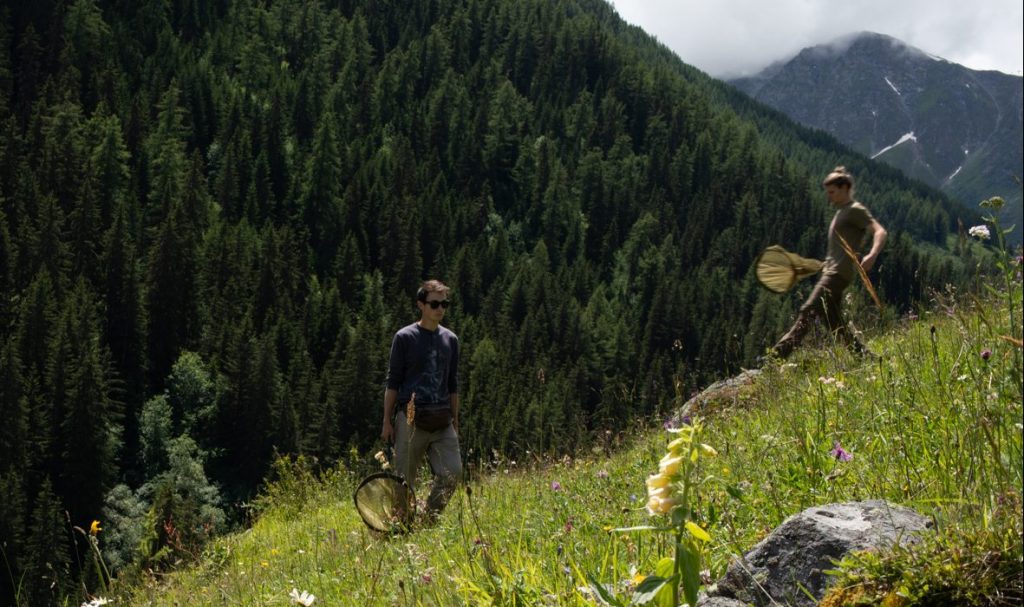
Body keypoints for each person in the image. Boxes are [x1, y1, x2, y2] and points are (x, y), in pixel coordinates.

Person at [769, 166, 887, 359]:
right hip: (833, 272)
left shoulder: (854, 210)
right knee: (834, 322)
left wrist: (872, 255)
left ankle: (775, 358)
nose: (829, 196)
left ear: (845, 188)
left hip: (837, 275)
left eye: (832, 192)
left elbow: (880, 231)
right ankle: (866, 357)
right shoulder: (841, 212)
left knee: (808, 310)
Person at [382, 279, 462, 521]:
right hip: (410, 420)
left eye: (444, 304)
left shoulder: (451, 340)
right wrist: (387, 420)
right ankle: (401, 527)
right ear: (421, 305)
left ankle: (428, 520)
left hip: (442, 420)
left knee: (453, 473)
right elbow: (393, 381)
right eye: (434, 303)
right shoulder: (404, 337)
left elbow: (452, 384)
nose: (440, 309)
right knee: (403, 482)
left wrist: (455, 421)